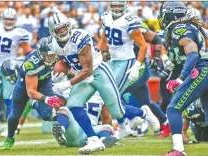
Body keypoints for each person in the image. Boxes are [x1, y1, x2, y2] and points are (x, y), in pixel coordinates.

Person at [47, 12, 159, 154]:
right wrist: (58, 73)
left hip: (98, 71)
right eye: (58, 29)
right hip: (82, 75)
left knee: (116, 110)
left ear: (69, 25)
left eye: (64, 27)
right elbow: (66, 62)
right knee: (74, 105)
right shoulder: (53, 44)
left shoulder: (79, 37)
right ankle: (93, 140)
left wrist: (66, 84)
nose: (62, 31)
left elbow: (87, 70)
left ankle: (143, 113)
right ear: (52, 32)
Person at [97, 2, 166, 136]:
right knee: (146, 102)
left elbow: (156, 40)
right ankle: (164, 121)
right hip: (118, 62)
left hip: (135, 65)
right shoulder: (107, 18)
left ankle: (130, 119)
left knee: (111, 95)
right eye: (114, 6)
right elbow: (104, 43)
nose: (117, 9)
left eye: (119, 6)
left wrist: (156, 59)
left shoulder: (133, 22)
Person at [158, 2, 208, 156]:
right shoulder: (188, 27)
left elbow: (192, 53)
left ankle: (179, 150)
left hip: (201, 70)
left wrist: (180, 79)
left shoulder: (180, 29)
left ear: (170, 15)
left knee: (173, 108)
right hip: (203, 69)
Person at [0, 38, 63, 150]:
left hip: (44, 81)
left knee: (47, 115)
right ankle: (9, 137)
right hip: (25, 85)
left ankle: (33, 104)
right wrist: (46, 99)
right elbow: (31, 91)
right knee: (15, 115)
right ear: (41, 54)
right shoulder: (32, 64)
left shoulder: (56, 54)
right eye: (49, 56)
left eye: (53, 55)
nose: (52, 58)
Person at [0, 8, 32, 137]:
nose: (9, 22)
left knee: (8, 99)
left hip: (9, 69)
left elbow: (28, 51)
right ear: (2, 19)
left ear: (15, 20)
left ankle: (10, 127)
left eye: (11, 19)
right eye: (6, 19)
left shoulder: (19, 33)